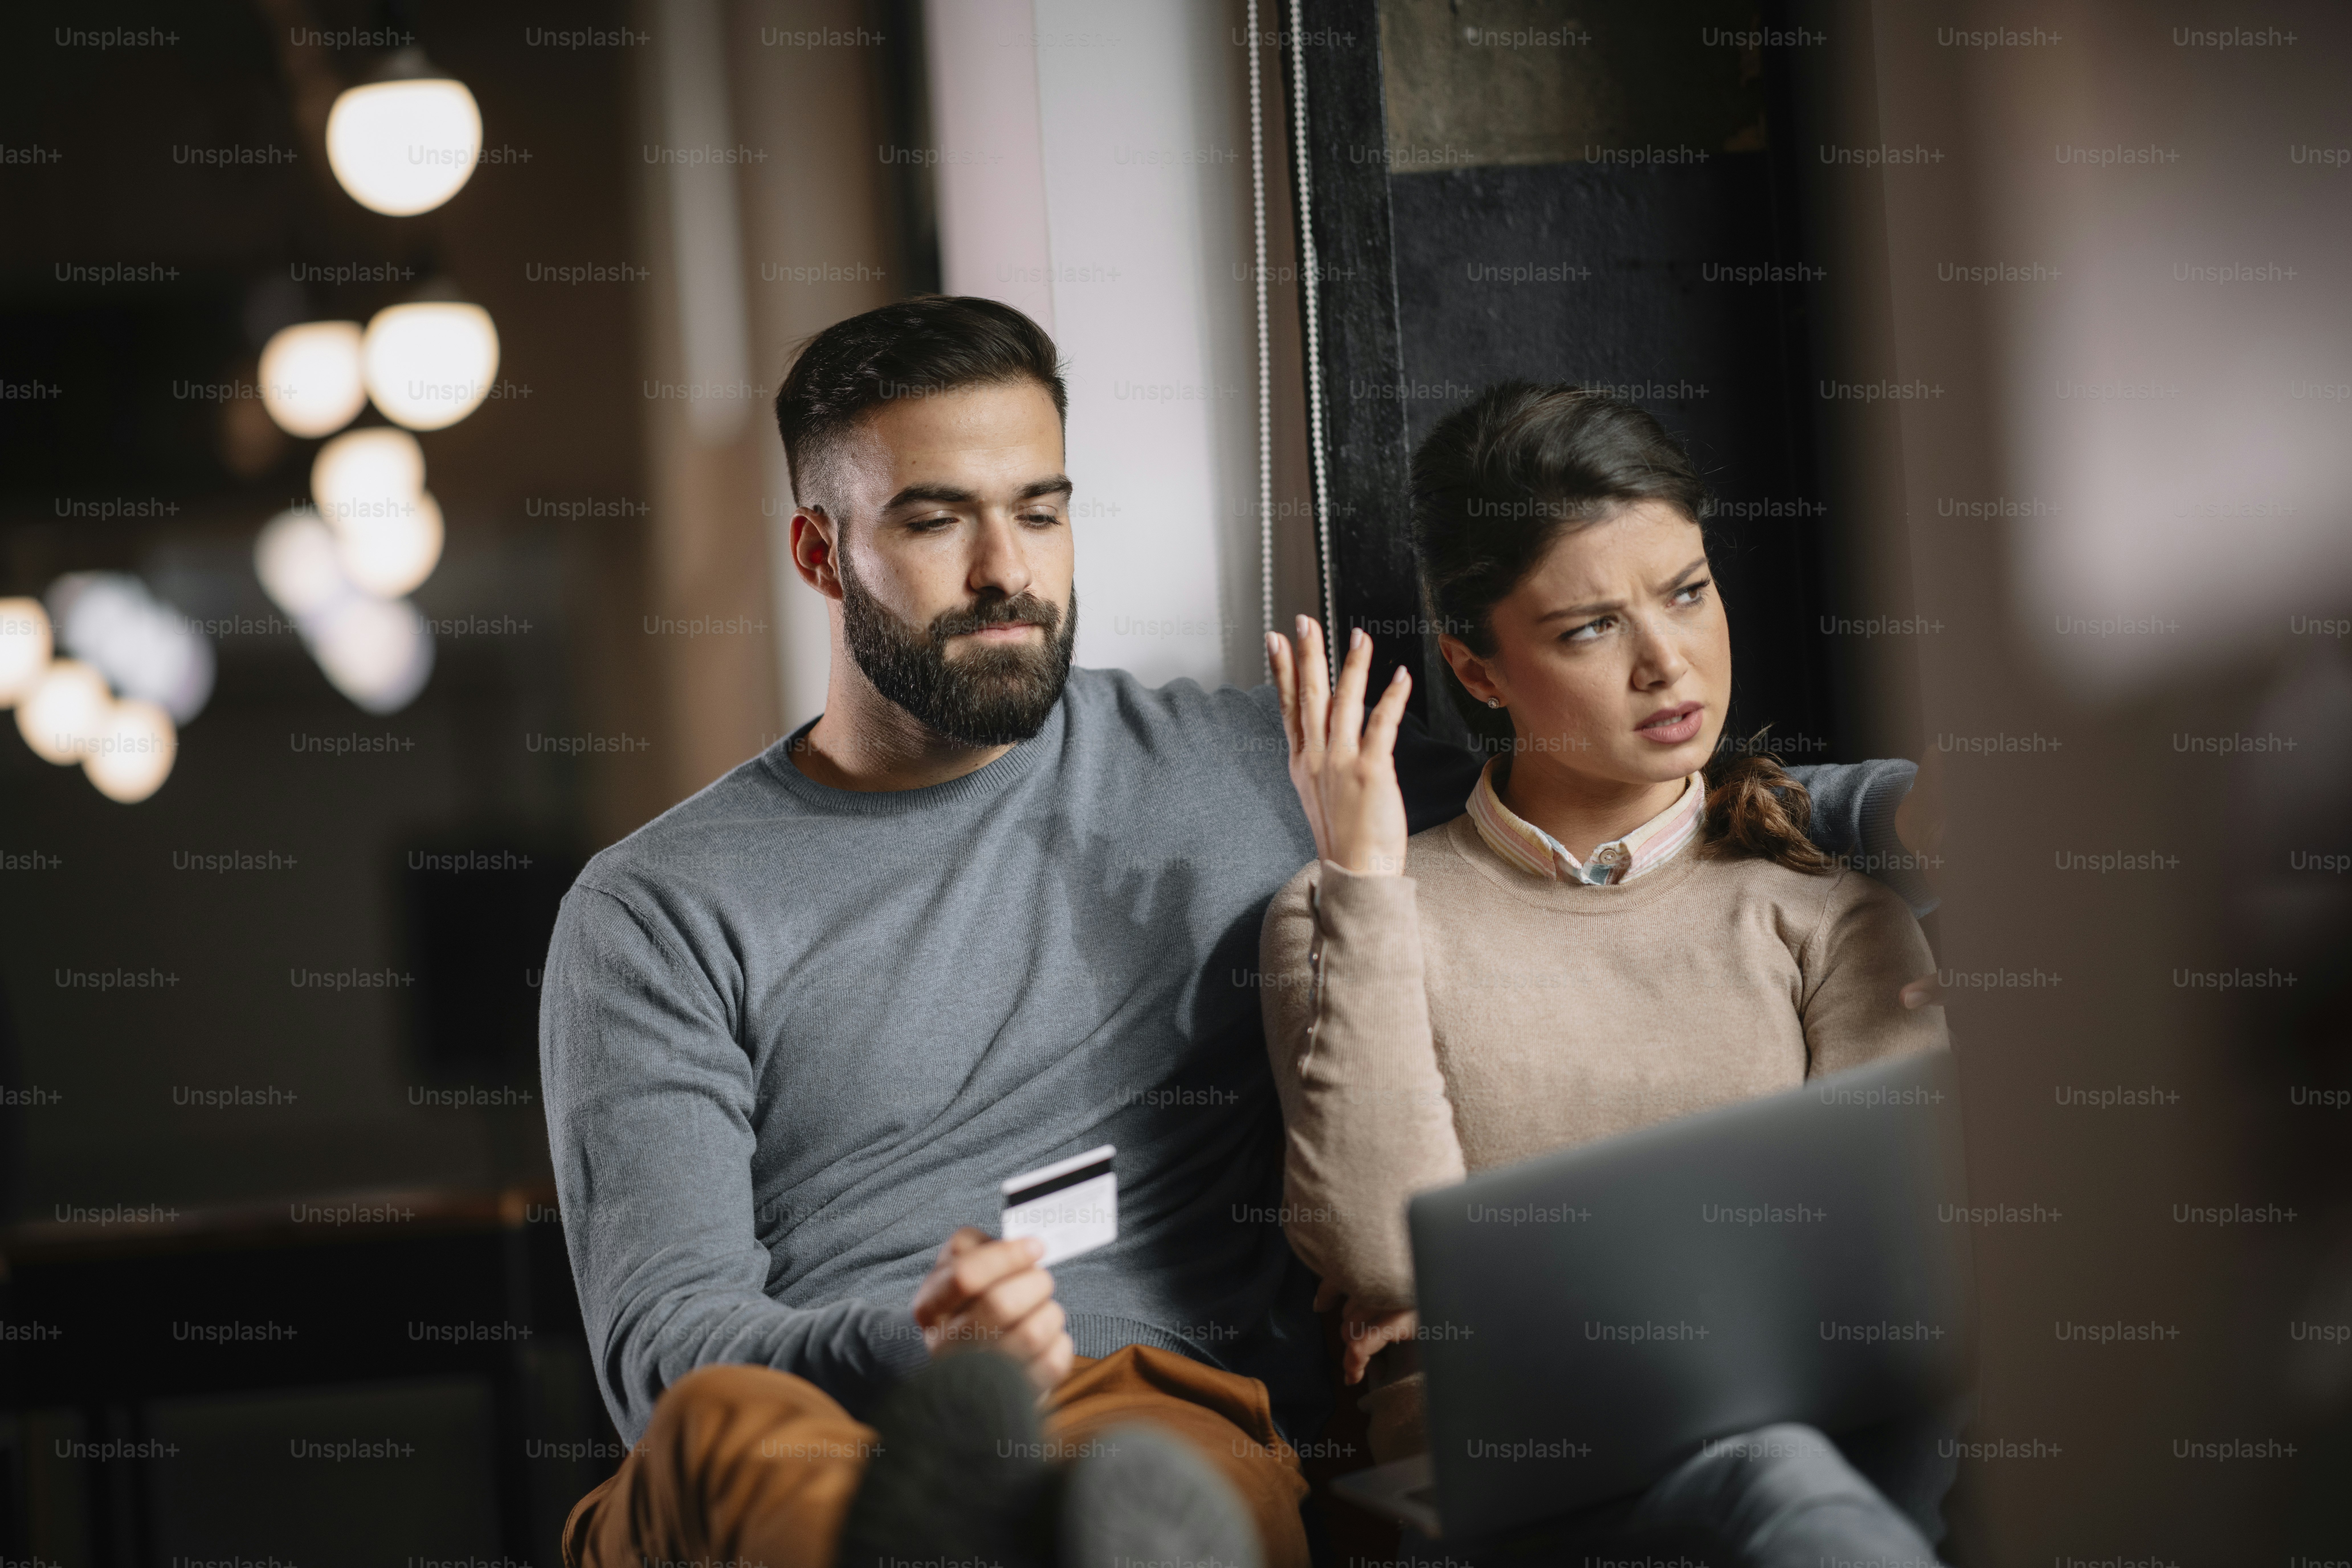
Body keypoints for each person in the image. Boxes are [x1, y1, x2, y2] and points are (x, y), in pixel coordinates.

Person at [538, 299, 1937, 1568]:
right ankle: (911, 1523)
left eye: (1040, 510)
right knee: (724, 1437)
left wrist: (1906, 810)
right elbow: (668, 1343)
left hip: (1138, 1404)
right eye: (934, 520)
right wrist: (911, 1345)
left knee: (1164, 1488)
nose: (1004, 569)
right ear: (819, 551)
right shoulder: (657, 906)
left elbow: (1595, 780)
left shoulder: (1248, 766)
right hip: (815, 1414)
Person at [1260, 381, 1956, 1565]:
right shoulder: (1351, 915)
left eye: (1687, 591)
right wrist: (1366, 886)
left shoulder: (1830, 914)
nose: (1667, 662)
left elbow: (1883, 1277)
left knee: (1771, 1468)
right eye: (1590, 629)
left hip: (1796, 1456)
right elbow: (1381, 1249)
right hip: (1512, 1496)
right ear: (1479, 670)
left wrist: (1495, 1300)